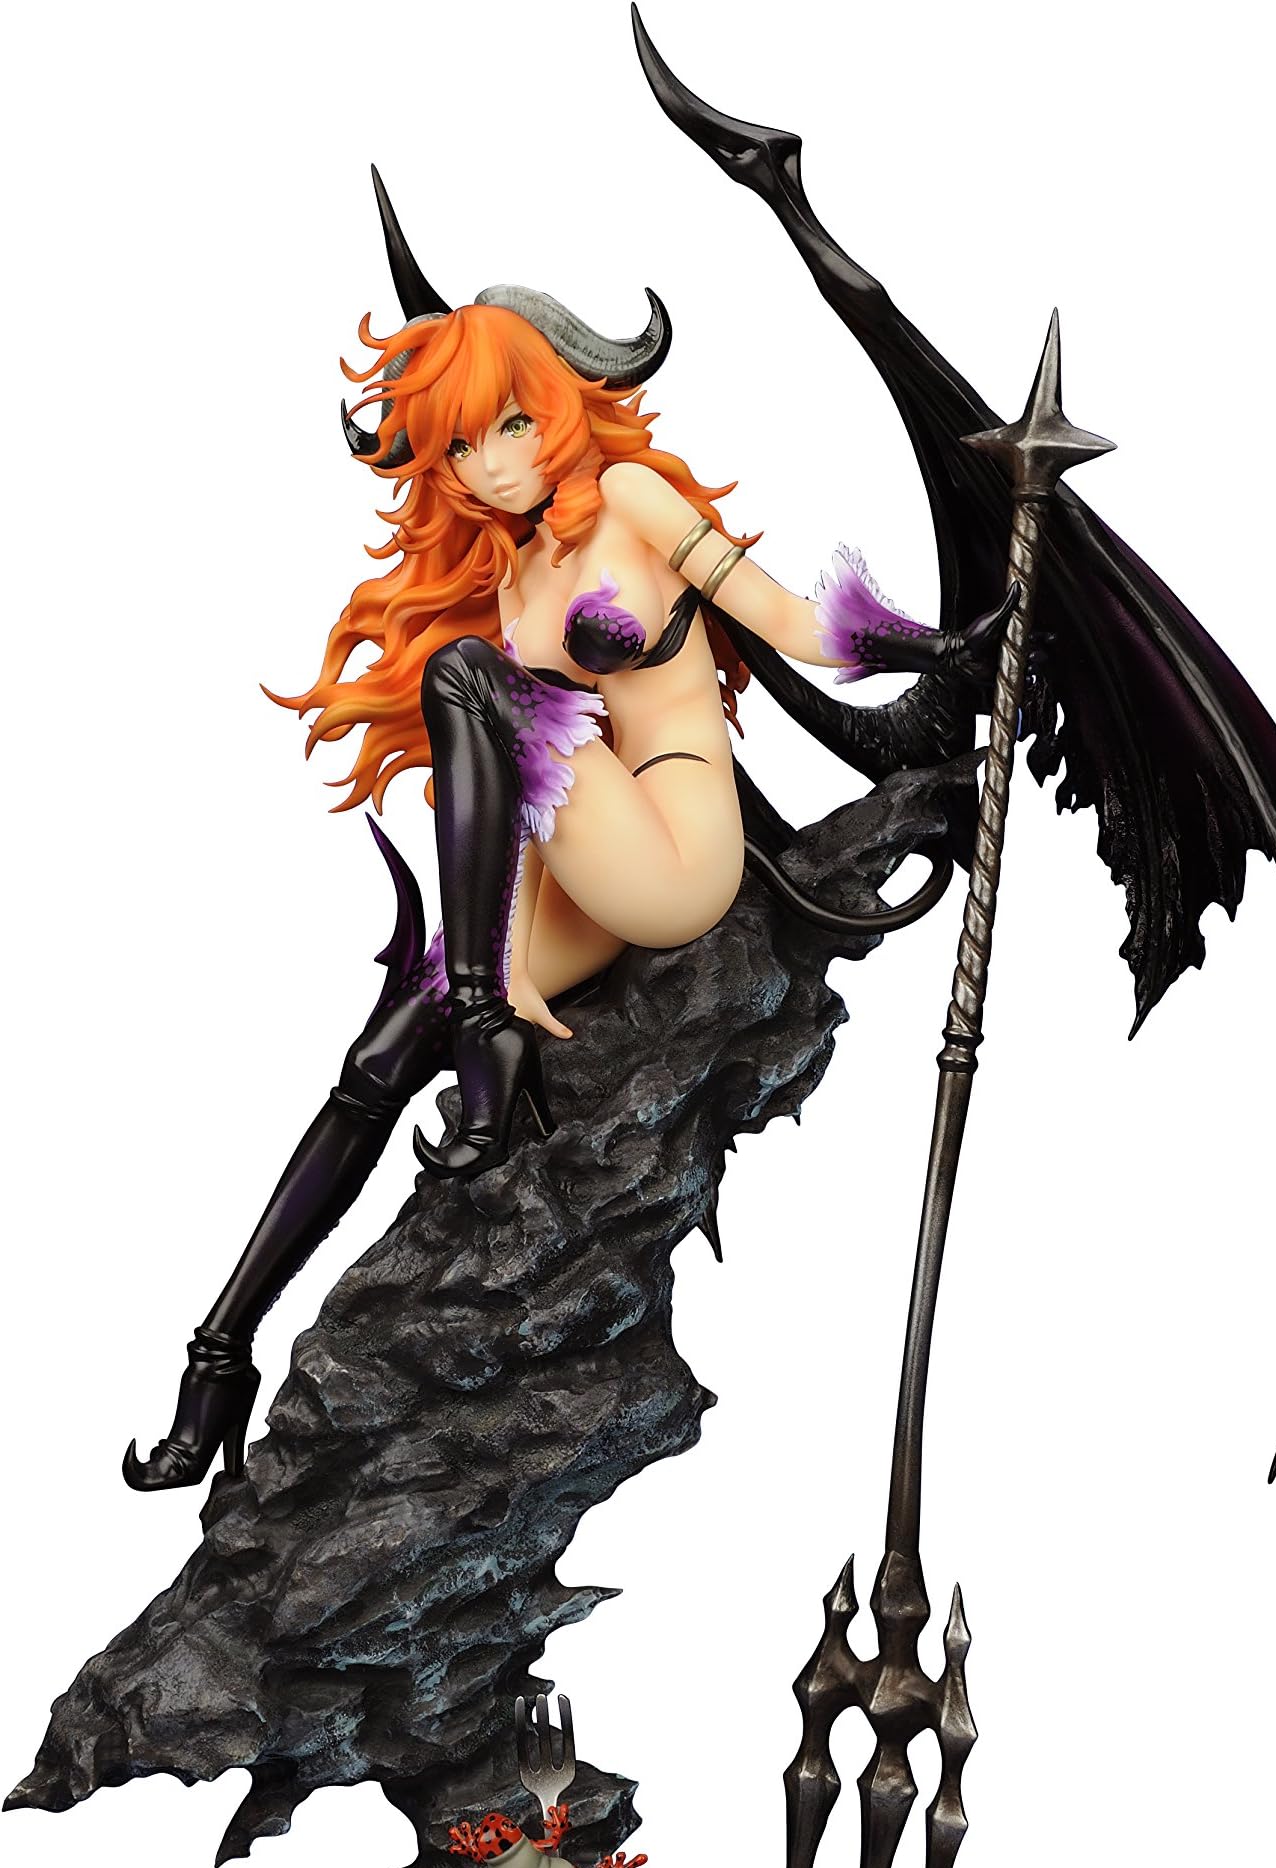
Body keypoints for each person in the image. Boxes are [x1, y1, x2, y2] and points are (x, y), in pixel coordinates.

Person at [121, 172, 1004, 1494]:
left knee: (469, 685)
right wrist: (509, 964)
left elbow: (785, 622)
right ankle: (218, 1357)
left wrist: (935, 645)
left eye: (511, 425)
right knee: (380, 1051)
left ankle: (482, 1026)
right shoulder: (516, 568)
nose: (491, 466)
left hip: (680, 851)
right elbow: (524, 796)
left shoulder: (636, 501)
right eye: (460, 449)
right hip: (585, 862)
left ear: (564, 400)